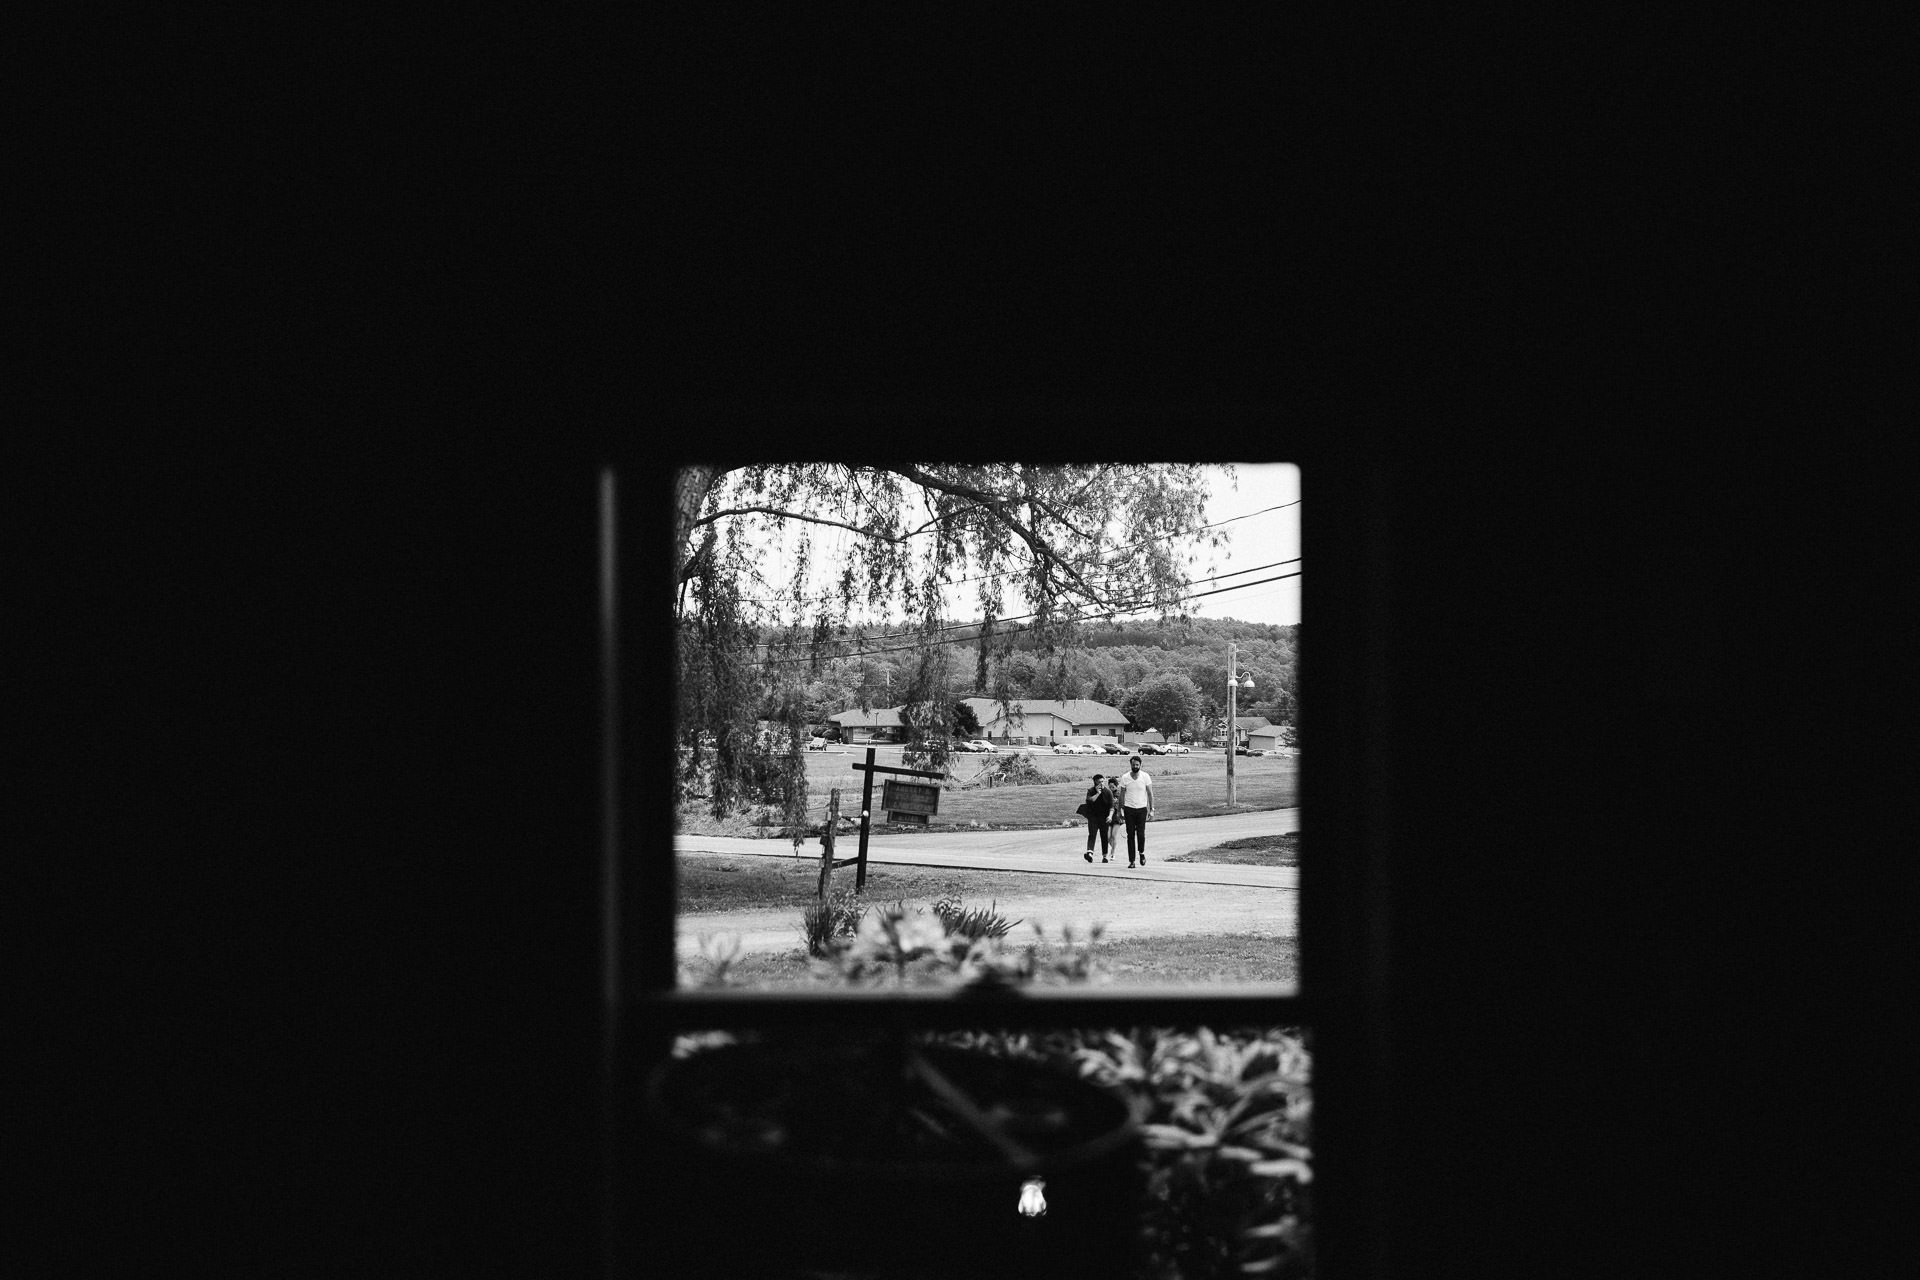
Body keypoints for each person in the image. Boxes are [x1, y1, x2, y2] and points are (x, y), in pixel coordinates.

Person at [1117, 754, 1155, 867]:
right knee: (1130, 835)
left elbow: (1150, 793)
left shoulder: (1145, 777)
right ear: (1131, 765)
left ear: (1140, 765)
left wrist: (1151, 809)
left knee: (1141, 834)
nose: (1135, 766)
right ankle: (1132, 860)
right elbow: (1122, 795)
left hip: (1142, 809)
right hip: (1129, 809)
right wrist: (1120, 810)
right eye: (1133, 765)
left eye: (1137, 765)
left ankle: (1141, 853)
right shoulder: (1125, 777)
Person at [1082, 773, 1115, 862]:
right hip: (1093, 816)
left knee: (1104, 836)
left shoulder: (1108, 792)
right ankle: (1089, 853)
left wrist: (1110, 816)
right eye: (1099, 782)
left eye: (1103, 781)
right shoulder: (1090, 791)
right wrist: (1098, 793)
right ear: (1095, 782)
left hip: (1104, 817)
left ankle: (1105, 856)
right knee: (1092, 834)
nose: (1102, 784)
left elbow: (1112, 807)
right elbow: (1090, 800)